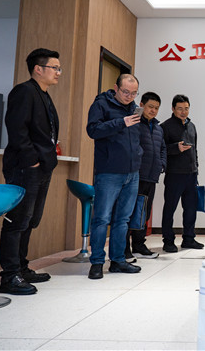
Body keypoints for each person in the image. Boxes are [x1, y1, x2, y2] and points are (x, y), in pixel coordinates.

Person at [0, 48, 61, 295]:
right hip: (25, 168)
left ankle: (22, 268)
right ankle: (9, 276)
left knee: (30, 220)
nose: (58, 72)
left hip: (41, 167)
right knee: (17, 221)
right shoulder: (24, 91)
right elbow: (17, 129)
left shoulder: (43, 94)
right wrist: (31, 160)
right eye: (54, 68)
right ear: (38, 69)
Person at [86, 73, 143, 279]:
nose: (129, 96)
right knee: (101, 218)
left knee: (123, 219)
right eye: (126, 92)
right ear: (116, 88)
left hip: (132, 172)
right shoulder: (101, 104)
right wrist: (121, 122)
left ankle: (118, 260)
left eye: (134, 93)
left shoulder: (133, 108)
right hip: (109, 172)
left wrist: (139, 155)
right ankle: (97, 262)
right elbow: (93, 130)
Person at [125, 92, 167, 260]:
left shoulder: (158, 128)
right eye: (150, 107)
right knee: (129, 212)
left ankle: (139, 244)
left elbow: (162, 148)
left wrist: (162, 164)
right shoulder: (135, 123)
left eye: (156, 108)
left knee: (144, 212)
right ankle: (124, 247)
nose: (153, 110)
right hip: (136, 175)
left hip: (152, 176)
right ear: (141, 105)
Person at [160, 95, 203, 252]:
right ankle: (168, 240)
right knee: (170, 208)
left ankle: (189, 239)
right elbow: (161, 150)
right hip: (174, 174)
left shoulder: (192, 126)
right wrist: (175, 148)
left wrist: (196, 168)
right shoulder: (165, 127)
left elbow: (195, 150)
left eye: (186, 108)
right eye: (180, 109)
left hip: (191, 174)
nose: (183, 112)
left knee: (191, 209)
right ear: (173, 109)